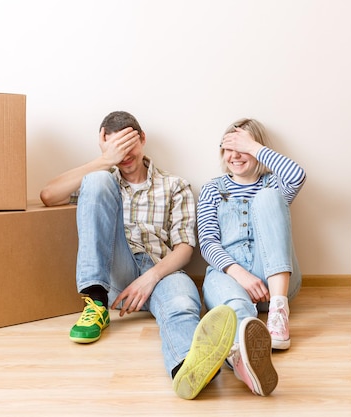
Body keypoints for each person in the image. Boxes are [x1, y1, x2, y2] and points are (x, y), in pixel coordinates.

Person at [39, 111, 236, 400]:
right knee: (96, 181)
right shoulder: (102, 182)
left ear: (142, 139)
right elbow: (48, 195)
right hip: (115, 269)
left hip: (160, 270)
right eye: (116, 148)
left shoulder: (175, 185)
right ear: (104, 145)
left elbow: (184, 247)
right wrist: (104, 161)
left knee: (182, 301)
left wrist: (150, 278)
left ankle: (189, 367)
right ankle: (95, 303)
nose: (124, 155)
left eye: (129, 145)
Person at [197, 118, 306, 396]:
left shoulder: (273, 184)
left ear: (257, 148)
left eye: (242, 147)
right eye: (228, 148)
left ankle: (278, 313)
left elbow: (297, 175)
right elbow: (208, 243)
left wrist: (254, 147)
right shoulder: (213, 189)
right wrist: (239, 274)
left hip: (274, 276)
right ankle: (243, 360)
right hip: (230, 274)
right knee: (235, 307)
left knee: (269, 198)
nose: (234, 155)